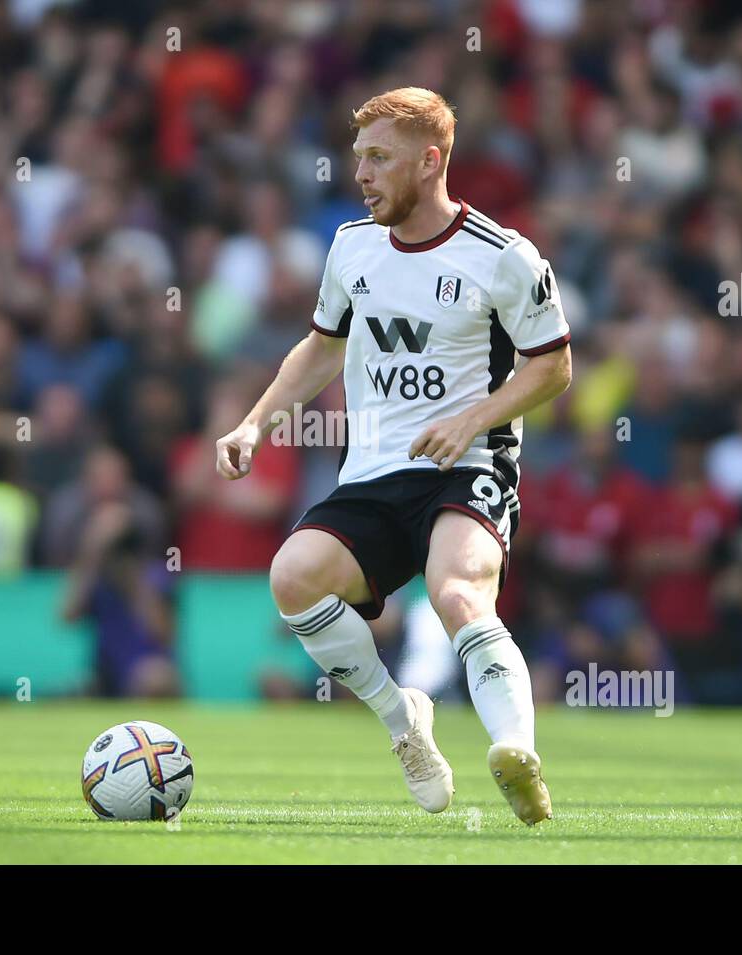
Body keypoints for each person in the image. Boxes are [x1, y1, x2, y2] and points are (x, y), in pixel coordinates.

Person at [213, 89, 573, 825]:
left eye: (380, 158)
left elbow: (554, 366)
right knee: (294, 577)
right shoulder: (352, 248)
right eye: (359, 159)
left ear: (430, 160)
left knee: (457, 593)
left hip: (468, 464)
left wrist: (472, 417)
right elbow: (321, 347)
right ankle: (402, 718)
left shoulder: (504, 258)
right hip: (373, 472)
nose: (363, 174)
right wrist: (256, 423)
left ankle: (515, 752)